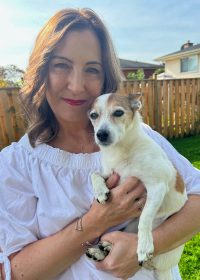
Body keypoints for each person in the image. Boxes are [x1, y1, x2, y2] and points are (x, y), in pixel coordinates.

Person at [0, 8, 200, 280]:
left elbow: (196, 197)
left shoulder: (142, 137)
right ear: (41, 71)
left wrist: (149, 245)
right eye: (61, 65)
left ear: (105, 77)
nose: (77, 84)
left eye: (92, 69)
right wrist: (96, 221)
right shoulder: (17, 164)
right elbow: (15, 272)